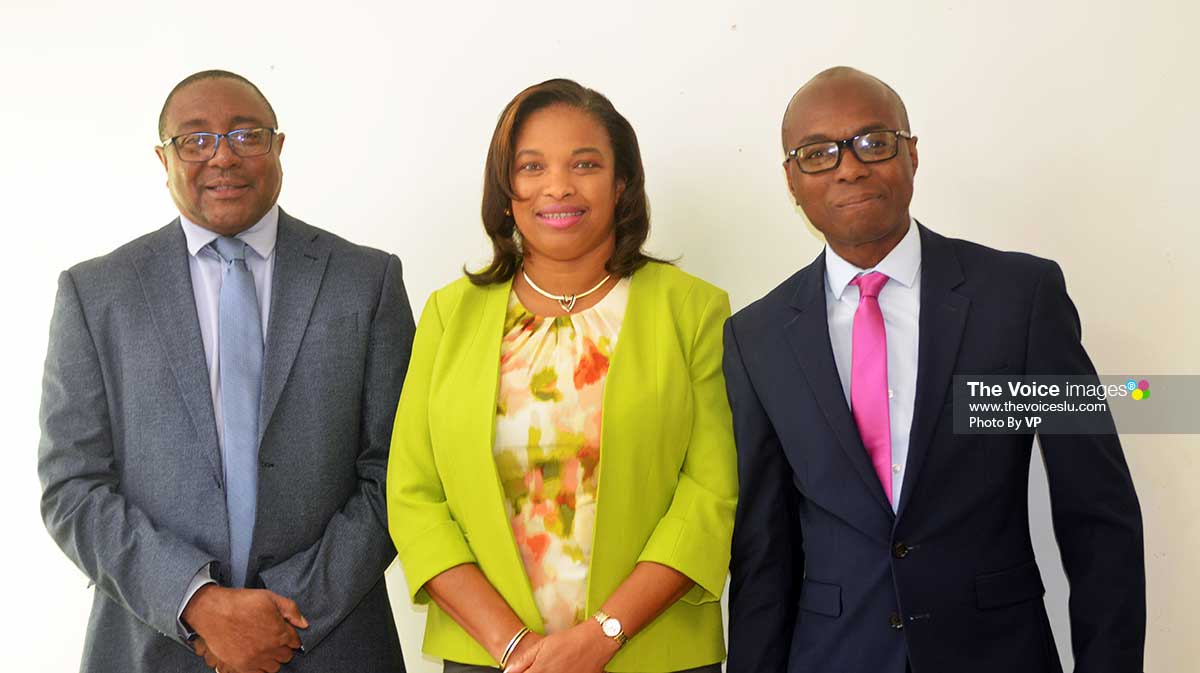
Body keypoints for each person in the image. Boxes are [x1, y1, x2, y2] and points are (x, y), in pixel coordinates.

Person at [723, 66, 1145, 673]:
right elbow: (765, 550)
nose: (849, 166)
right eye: (818, 154)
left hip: (997, 652)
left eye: (873, 142)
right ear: (791, 180)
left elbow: (1097, 511)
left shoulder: (1020, 298)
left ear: (912, 154)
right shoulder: (756, 336)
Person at [38, 69, 413, 673]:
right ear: (163, 159)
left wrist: (285, 616)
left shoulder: (366, 282)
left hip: (333, 643)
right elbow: (72, 486)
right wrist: (198, 604)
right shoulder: (96, 293)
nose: (222, 157)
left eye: (246, 135)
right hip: (150, 645)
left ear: (279, 147)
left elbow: (397, 474)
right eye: (195, 140)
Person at [387, 78, 737, 673]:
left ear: (621, 182)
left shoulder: (693, 310)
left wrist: (602, 636)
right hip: (489, 657)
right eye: (531, 166)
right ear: (506, 190)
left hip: (654, 651)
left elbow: (709, 494)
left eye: (586, 163)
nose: (558, 185)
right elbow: (413, 498)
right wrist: (516, 649)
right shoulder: (450, 314)